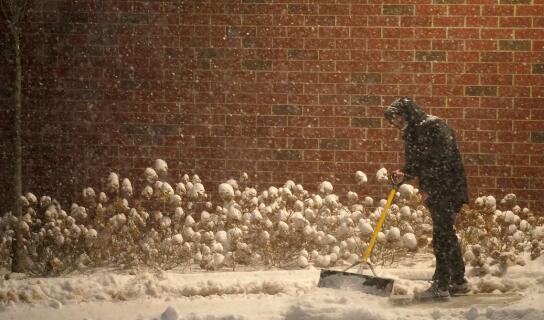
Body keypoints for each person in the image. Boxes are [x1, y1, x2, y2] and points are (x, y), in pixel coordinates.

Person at [384, 97, 469, 300]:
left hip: (448, 188)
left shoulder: (434, 126)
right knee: (446, 232)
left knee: (441, 235)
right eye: (392, 121)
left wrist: (431, 187)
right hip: (436, 188)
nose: (395, 123)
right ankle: (458, 280)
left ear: (408, 113)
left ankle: (441, 285)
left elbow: (442, 161)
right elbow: (418, 163)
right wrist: (404, 173)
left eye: (397, 118)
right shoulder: (412, 132)